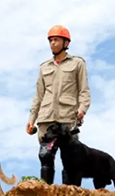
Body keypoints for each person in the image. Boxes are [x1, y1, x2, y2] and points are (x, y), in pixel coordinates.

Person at [27, 25, 91, 184]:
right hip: (46, 118)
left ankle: (69, 195)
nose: (52, 43)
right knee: (45, 155)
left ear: (65, 43)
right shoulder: (44, 67)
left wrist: (82, 109)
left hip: (67, 118)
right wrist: (31, 119)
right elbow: (38, 96)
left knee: (70, 159)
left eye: (56, 40)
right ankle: (45, 192)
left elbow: (84, 91)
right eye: (50, 40)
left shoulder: (77, 63)